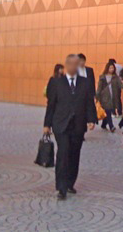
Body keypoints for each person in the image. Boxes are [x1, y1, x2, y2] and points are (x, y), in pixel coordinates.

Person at [43, 54, 97, 200]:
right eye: (71, 64)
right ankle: (61, 187)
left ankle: (70, 183)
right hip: (61, 124)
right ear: (66, 65)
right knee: (63, 153)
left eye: (76, 64)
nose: (74, 67)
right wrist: (47, 124)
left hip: (78, 124)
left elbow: (89, 102)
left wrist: (91, 119)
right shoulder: (56, 82)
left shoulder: (85, 83)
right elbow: (51, 104)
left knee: (74, 154)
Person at [96, 61, 123, 132]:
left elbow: (120, 85)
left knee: (108, 111)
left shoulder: (116, 77)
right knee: (108, 111)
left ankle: (104, 124)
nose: (111, 69)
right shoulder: (102, 77)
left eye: (112, 68)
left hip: (113, 97)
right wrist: (97, 97)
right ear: (107, 68)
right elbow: (99, 88)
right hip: (104, 97)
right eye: (110, 68)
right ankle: (111, 126)